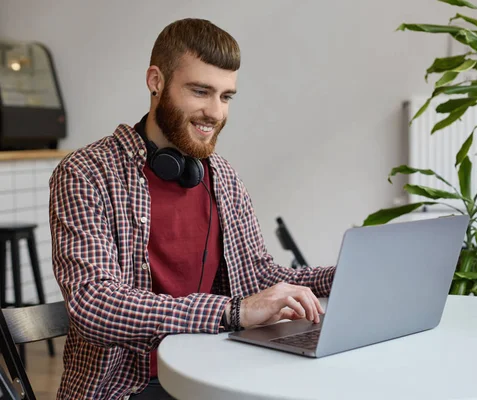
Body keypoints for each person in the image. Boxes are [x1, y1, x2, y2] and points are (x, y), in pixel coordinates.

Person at [49, 18, 336, 400]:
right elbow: (95, 305)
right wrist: (232, 312)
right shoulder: (86, 173)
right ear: (156, 81)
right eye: (201, 91)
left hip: (213, 369)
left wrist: (342, 277)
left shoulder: (221, 176)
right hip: (127, 387)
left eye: (226, 96)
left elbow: (257, 275)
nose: (215, 113)